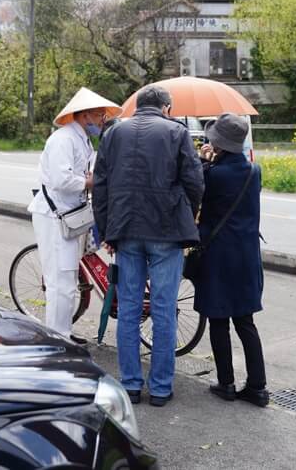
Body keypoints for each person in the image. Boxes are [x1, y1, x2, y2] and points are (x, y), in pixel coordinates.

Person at [93, 85, 204, 407]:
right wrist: (188, 212)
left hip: (126, 230)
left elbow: (100, 186)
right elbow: (195, 181)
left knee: (128, 309)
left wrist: (106, 229)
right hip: (166, 230)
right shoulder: (176, 132)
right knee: (163, 309)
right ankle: (160, 387)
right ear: (166, 108)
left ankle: (130, 384)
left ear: (137, 106)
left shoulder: (113, 133)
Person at [28, 87, 120, 343]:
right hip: (55, 216)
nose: (102, 119)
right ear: (85, 114)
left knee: (67, 280)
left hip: (69, 216)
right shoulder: (63, 139)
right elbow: (61, 179)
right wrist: (90, 183)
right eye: (99, 114)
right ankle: (58, 339)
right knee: (60, 281)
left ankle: (63, 333)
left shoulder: (80, 139)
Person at [194, 113, 268, 407]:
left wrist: (203, 162)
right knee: (245, 321)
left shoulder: (213, 174)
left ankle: (226, 383)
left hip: (218, 255)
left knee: (219, 320)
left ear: (217, 143)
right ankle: (258, 387)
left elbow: (198, 194)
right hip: (247, 255)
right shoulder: (255, 171)